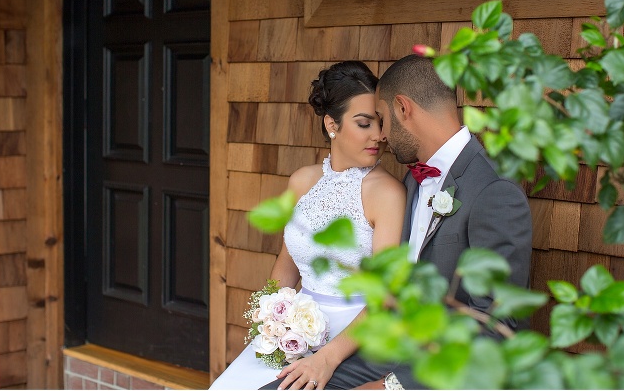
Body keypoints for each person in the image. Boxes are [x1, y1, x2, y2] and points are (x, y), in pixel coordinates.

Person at [313, 54, 534, 390]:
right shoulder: (413, 181)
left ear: (403, 108)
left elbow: (496, 326)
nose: (381, 135)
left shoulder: (494, 191)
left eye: (382, 119)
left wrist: (392, 387)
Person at [210, 61, 406, 390]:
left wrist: (327, 357)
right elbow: (285, 268)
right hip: (294, 326)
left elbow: (385, 297)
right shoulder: (301, 182)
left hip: (353, 335)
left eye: (380, 123)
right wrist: (269, 322)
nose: (379, 135)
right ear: (331, 124)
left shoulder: (387, 194)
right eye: (364, 123)